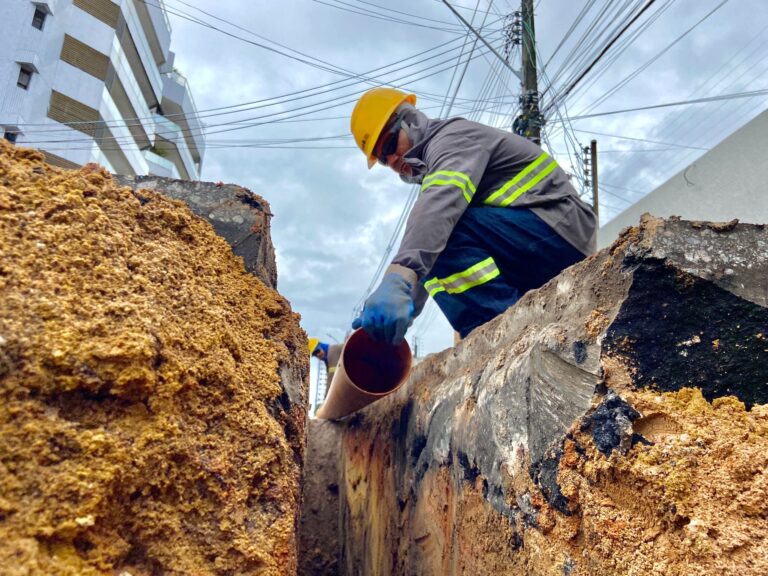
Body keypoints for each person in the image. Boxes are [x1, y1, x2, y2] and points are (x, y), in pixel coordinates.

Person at [349, 87, 597, 345]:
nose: (392, 159)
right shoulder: (439, 159)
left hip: (560, 228)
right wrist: (401, 309)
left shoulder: (452, 139)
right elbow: (430, 239)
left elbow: (438, 206)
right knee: (433, 245)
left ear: (410, 121)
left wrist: (398, 276)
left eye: (390, 144)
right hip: (538, 240)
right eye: (381, 159)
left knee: (441, 233)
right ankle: (495, 333)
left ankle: (501, 336)